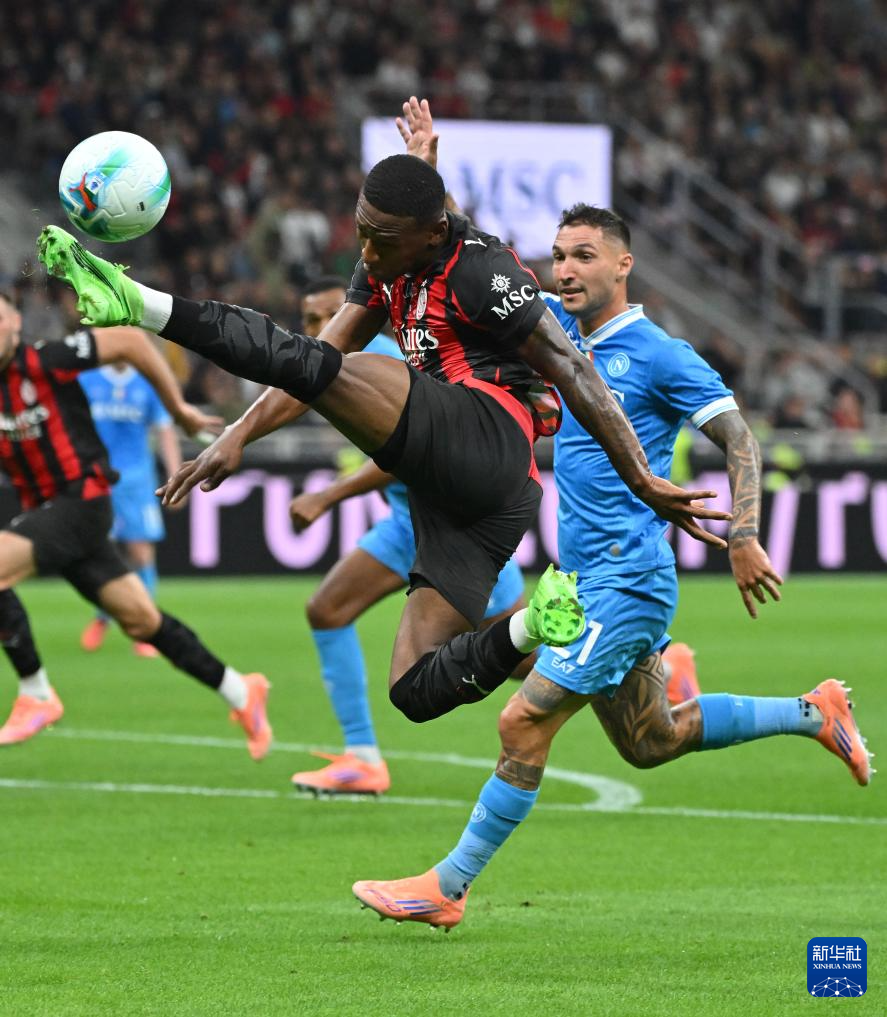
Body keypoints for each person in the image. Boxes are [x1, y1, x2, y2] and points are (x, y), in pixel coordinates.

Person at [344, 100, 872, 930]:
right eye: (557, 255)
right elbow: (466, 255)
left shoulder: (659, 353)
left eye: (583, 256)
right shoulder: (552, 330)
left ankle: (446, 885)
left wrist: (741, 534)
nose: (564, 270)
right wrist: (425, 175)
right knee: (648, 739)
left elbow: (740, 439)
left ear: (623, 264)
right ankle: (813, 711)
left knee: (522, 720)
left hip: (626, 579)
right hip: (583, 576)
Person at [38, 151, 729, 739]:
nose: (367, 253)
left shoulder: (483, 271)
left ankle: (138, 302)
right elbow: (313, 359)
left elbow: (574, 371)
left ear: (432, 233)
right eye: (362, 231)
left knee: (326, 366)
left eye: (383, 239)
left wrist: (643, 480)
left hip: (488, 434)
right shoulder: (388, 259)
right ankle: (532, 624)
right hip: (471, 502)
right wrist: (237, 434)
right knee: (414, 689)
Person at [0, 292, 271, 759]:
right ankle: (241, 691)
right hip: (52, 516)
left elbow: (132, 342)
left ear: (16, 322)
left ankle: (36, 693)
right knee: (142, 620)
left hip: (82, 502)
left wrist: (179, 411)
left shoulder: (46, 360)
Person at [288, 276, 529, 795]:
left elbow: (406, 453)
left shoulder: (381, 359)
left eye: (328, 315)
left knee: (524, 658)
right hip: (407, 522)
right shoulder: (330, 365)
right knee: (327, 610)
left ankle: (650, 670)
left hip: (457, 523)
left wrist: (327, 496)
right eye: (310, 320)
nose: (319, 327)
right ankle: (362, 759)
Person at [78, 358, 184, 658]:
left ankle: (148, 630)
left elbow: (165, 431)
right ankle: (102, 617)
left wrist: (176, 477)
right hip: (98, 480)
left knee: (141, 553)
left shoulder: (148, 382)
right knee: (102, 552)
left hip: (137, 481)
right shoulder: (87, 380)